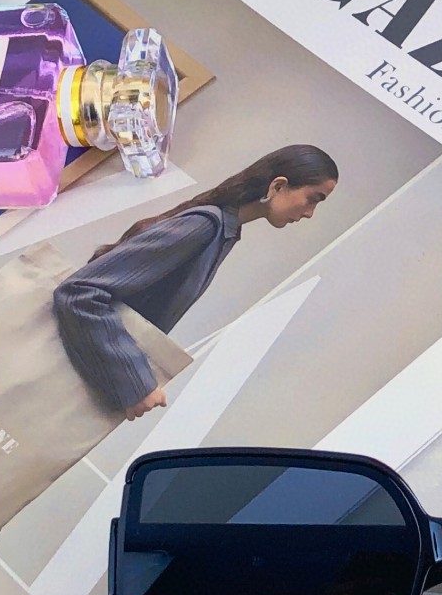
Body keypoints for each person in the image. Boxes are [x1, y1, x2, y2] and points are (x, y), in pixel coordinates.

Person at [54, 145, 338, 420]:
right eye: (313, 199)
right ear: (278, 186)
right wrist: (136, 383)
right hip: (66, 370)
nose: (310, 213)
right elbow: (80, 292)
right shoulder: (204, 227)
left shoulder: (221, 232)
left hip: (74, 371)